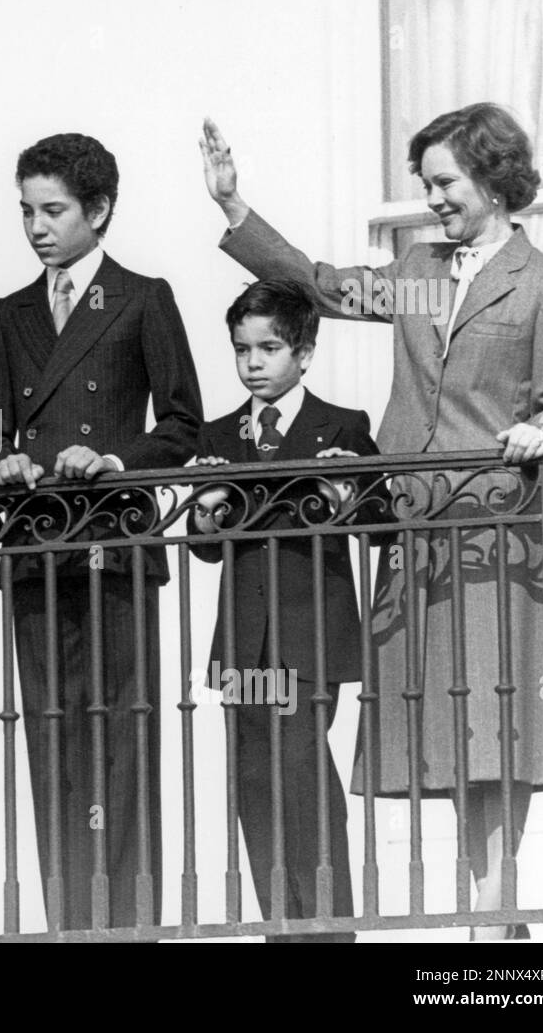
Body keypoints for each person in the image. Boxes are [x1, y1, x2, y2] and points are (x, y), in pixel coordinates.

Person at [200, 103, 543, 939]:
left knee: (499, 727)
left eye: (445, 181)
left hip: (498, 537)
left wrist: (538, 431)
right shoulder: (418, 267)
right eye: (427, 184)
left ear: (492, 177)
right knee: (445, 732)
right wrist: (235, 208)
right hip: (418, 539)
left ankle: (492, 918)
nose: (434, 197)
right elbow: (320, 284)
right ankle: (495, 911)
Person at [0, 132, 202, 931]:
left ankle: (132, 929)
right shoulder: (9, 314)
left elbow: (181, 426)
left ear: (99, 210)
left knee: (125, 746)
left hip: (116, 548)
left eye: (54, 210)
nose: (36, 226)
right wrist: (1, 464)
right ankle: (72, 925)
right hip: (36, 551)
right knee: (53, 749)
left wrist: (112, 456)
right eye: (27, 211)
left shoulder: (144, 297)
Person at [189, 278, 380, 941]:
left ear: (304, 350)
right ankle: (283, 929)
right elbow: (205, 548)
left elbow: (379, 523)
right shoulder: (219, 432)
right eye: (243, 350)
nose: (254, 363)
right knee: (254, 779)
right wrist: (207, 509)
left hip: (310, 637)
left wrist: (349, 487)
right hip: (243, 640)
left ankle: (327, 929)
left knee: (300, 772)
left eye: (269, 347)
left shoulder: (343, 426)